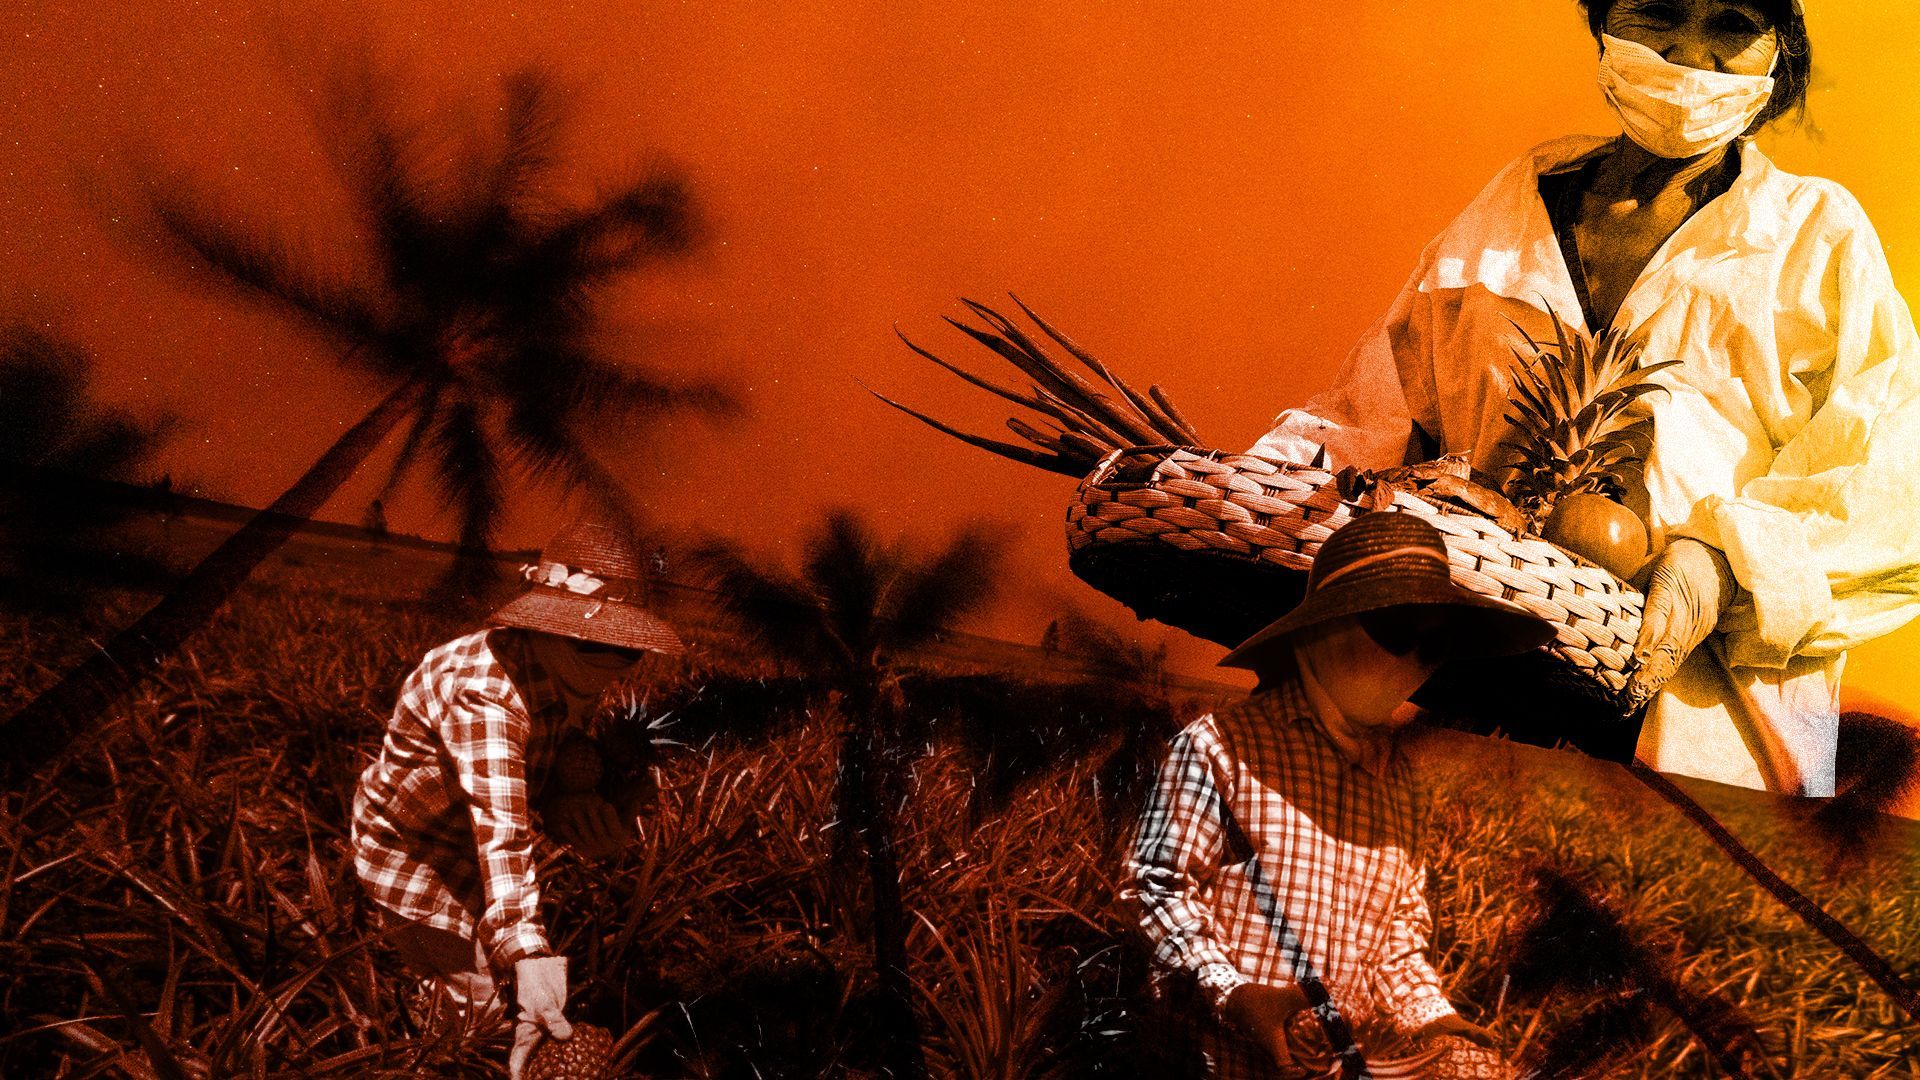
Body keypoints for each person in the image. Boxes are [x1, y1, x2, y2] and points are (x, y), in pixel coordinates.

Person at [1247, 0, 1920, 798]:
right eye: (1658, 10)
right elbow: (1377, 407)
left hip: (1705, 704)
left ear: (1780, 51)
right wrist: (1260, 488)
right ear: (1603, 21)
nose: (1689, 49)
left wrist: (1727, 564)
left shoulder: (1816, 232)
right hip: (1479, 658)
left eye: (1733, 22)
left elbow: (1893, 474)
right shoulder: (1515, 205)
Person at [1125, 512, 1556, 1078]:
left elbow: (1396, 942)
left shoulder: (1398, 785)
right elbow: (1154, 888)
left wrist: (1436, 1022)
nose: (1410, 664)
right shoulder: (1220, 747)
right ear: (1325, 627)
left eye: (1433, 648)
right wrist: (1231, 992)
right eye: (1398, 630)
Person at [350, 520, 684, 1079]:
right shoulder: (486, 697)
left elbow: (543, 760)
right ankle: (420, 1053)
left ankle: (431, 1005)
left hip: (474, 848)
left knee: (483, 986)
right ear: (546, 626)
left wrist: (572, 804)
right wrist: (529, 955)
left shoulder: (563, 668)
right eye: (591, 639)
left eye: (626, 649)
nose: (609, 659)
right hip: (415, 856)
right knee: (475, 1009)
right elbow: (501, 830)